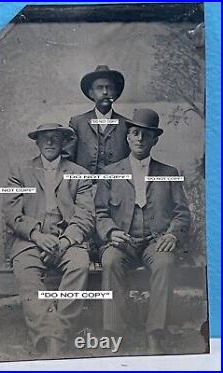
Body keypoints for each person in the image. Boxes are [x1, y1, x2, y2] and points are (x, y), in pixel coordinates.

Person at [95, 108, 191, 354]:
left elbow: (181, 212)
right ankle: (114, 333)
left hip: (155, 241)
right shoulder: (110, 172)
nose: (139, 139)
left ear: (154, 140)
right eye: (135, 133)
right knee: (110, 261)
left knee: (165, 263)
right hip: (122, 241)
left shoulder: (168, 173)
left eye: (145, 135)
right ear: (128, 136)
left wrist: (171, 234)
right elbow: (100, 212)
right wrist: (110, 233)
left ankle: (155, 333)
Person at [4, 123, 95, 357]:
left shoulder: (79, 174)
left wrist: (64, 242)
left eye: (56, 138)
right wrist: (36, 235)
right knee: (26, 273)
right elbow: (11, 213)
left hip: (67, 240)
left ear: (64, 142)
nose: (50, 142)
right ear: (37, 142)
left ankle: (55, 336)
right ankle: (54, 337)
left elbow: (85, 216)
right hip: (30, 240)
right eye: (45, 138)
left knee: (79, 264)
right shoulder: (19, 171)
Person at [64, 65, 130, 174]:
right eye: (100, 88)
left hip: (117, 187)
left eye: (109, 88)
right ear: (91, 93)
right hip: (85, 187)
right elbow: (67, 161)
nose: (105, 92)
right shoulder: (77, 123)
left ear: (115, 93)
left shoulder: (126, 124)